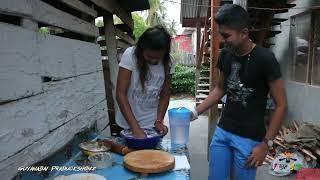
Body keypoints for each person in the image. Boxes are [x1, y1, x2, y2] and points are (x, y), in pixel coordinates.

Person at [190, 4, 288, 180]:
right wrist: (195, 112)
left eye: (227, 35)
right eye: (221, 34)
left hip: (249, 139)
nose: (223, 39)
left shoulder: (265, 59)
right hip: (223, 132)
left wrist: (266, 144)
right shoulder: (225, 55)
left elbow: (281, 105)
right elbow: (220, 89)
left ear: (244, 33)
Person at [116, 25, 174, 139]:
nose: (153, 60)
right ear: (142, 48)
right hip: (127, 126)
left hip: (151, 127)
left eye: (158, 58)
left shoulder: (169, 62)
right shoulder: (130, 55)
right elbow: (120, 94)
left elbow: (165, 95)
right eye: (149, 56)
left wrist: (159, 121)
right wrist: (135, 128)